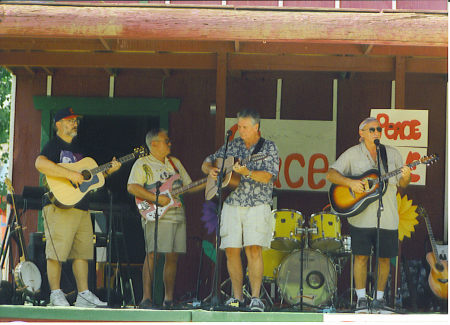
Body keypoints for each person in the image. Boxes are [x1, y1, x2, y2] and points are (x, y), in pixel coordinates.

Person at [35, 107, 121, 307]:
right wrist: (69, 174)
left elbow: (91, 178)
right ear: (58, 124)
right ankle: (56, 294)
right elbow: (40, 163)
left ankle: (83, 294)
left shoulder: (81, 148)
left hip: (81, 206)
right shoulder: (54, 145)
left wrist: (110, 170)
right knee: (56, 252)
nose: (75, 123)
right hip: (60, 206)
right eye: (70, 120)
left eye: (76, 120)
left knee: (82, 253)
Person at [326, 117, 411, 313]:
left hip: (387, 216)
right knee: (361, 257)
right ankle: (362, 299)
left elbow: (402, 184)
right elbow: (331, 174)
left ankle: (379, 299)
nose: (376, 132)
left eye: (379, 129)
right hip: (361, 217)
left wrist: (406, 177)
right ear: (361, 133)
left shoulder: (391, 154)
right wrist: (351, 183)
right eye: (371, 129)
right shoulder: (352, 154)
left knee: (384, 258)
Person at [201, 109, 279, 312]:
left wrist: (248, 172)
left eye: (244, 127)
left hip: (257, 203)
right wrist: (210, 169)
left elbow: (268, 176)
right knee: (231, 249)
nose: (240, 130)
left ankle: (255, 298)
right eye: (239, 126)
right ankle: (237, 297)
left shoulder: (268, 147)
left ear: (256, 127)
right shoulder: (232, 145)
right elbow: (207, 162)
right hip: (231, 203)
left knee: (254, 249)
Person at [127, 128, 197, 309]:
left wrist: (210, 181)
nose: (170, 143)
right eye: (167, 140)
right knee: (153, 253)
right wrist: (156, 198)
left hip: (177, 212)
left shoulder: (175, 163)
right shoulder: (142, 163)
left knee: (173, 256)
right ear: (154, 144)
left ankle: (168, 299)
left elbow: (188, 187)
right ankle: (146, 298)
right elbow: (133, 187)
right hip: (156, 213)